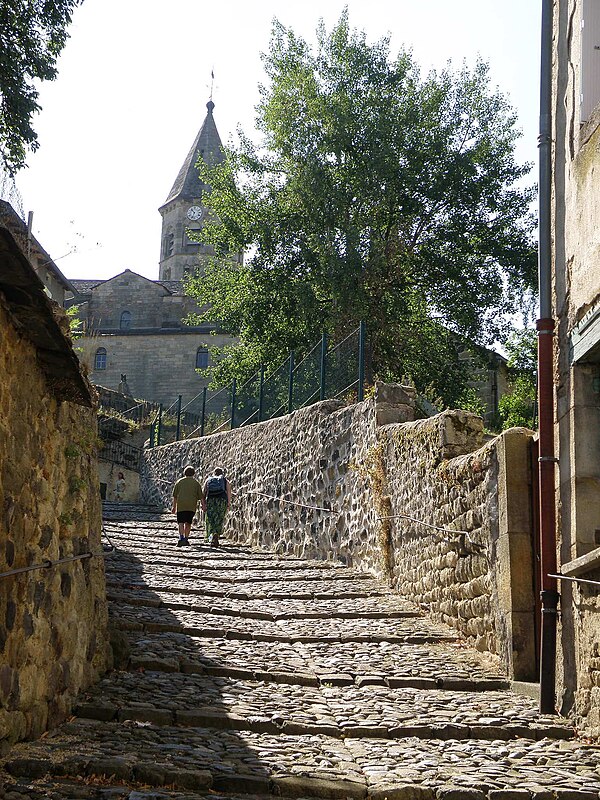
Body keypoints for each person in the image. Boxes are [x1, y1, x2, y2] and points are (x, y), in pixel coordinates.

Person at [171, 465, 203, 547]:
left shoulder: (179, 482)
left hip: (181, 505)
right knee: (188, 522)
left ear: (184, 473)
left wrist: (174, 507)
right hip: (191, 506)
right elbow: (201, 496)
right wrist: (203, 505)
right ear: (193, 473)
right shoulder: (196, 483)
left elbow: (175, 495)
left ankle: (181, 538)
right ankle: (186, 538)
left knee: (181, 522)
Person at [201, 467, 231, 548]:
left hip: (211, 501)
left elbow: (203, 494)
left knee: (210, 520)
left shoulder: (208, 480)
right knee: (219, 520)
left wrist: (203, 504)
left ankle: (211, 538)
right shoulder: (225, 481)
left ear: (214, 473)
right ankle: (216, 536)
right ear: (222, 473)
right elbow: (228, 492)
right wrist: (228, 503)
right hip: (221, 502)